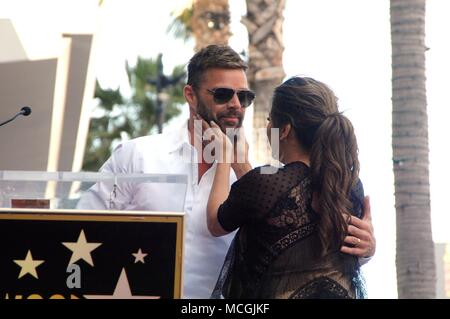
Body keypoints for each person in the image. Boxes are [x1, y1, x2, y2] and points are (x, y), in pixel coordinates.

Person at [78, 45, 375, 298]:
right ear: (190, 95)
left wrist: (367, 249)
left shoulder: (261, 177)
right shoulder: (138, 156)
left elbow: (302, 248)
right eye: (222, 94)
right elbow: (82, 227)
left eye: (244, 97)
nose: (235, 105)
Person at [206, 76, 371, 298]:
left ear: (284, 130)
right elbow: (269, 204)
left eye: (269, 120)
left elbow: (217, 222)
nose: (267, 128)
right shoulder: (349, 184)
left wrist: (224, 159)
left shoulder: (266, 183)